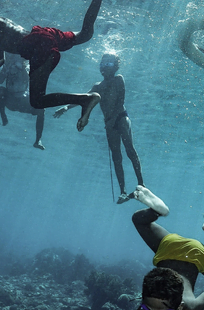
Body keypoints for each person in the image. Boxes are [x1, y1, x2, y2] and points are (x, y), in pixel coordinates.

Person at [53, 52, 144, 203]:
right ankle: (123, 191)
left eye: (109, 63)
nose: (105, 67)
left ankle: (141, 184)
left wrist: (112, 120)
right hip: (109, 123)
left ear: (115, 66)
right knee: (116, 157)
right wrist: (66, 107)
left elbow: (121, 100)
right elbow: (84, 99)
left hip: (120, 118)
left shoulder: (119, 79)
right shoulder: (97, 86)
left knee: (130, 150)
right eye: (103, 64)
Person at [0, 52, 45, 150]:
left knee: (41, 109)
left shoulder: (27, 67)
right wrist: (6, 69)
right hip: (11, 100)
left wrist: (22, 68)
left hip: (23, 100)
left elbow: (29, 81)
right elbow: (0, 80)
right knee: (0, 90)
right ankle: (3, 115)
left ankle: (38, 140)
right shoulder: (8, 66)